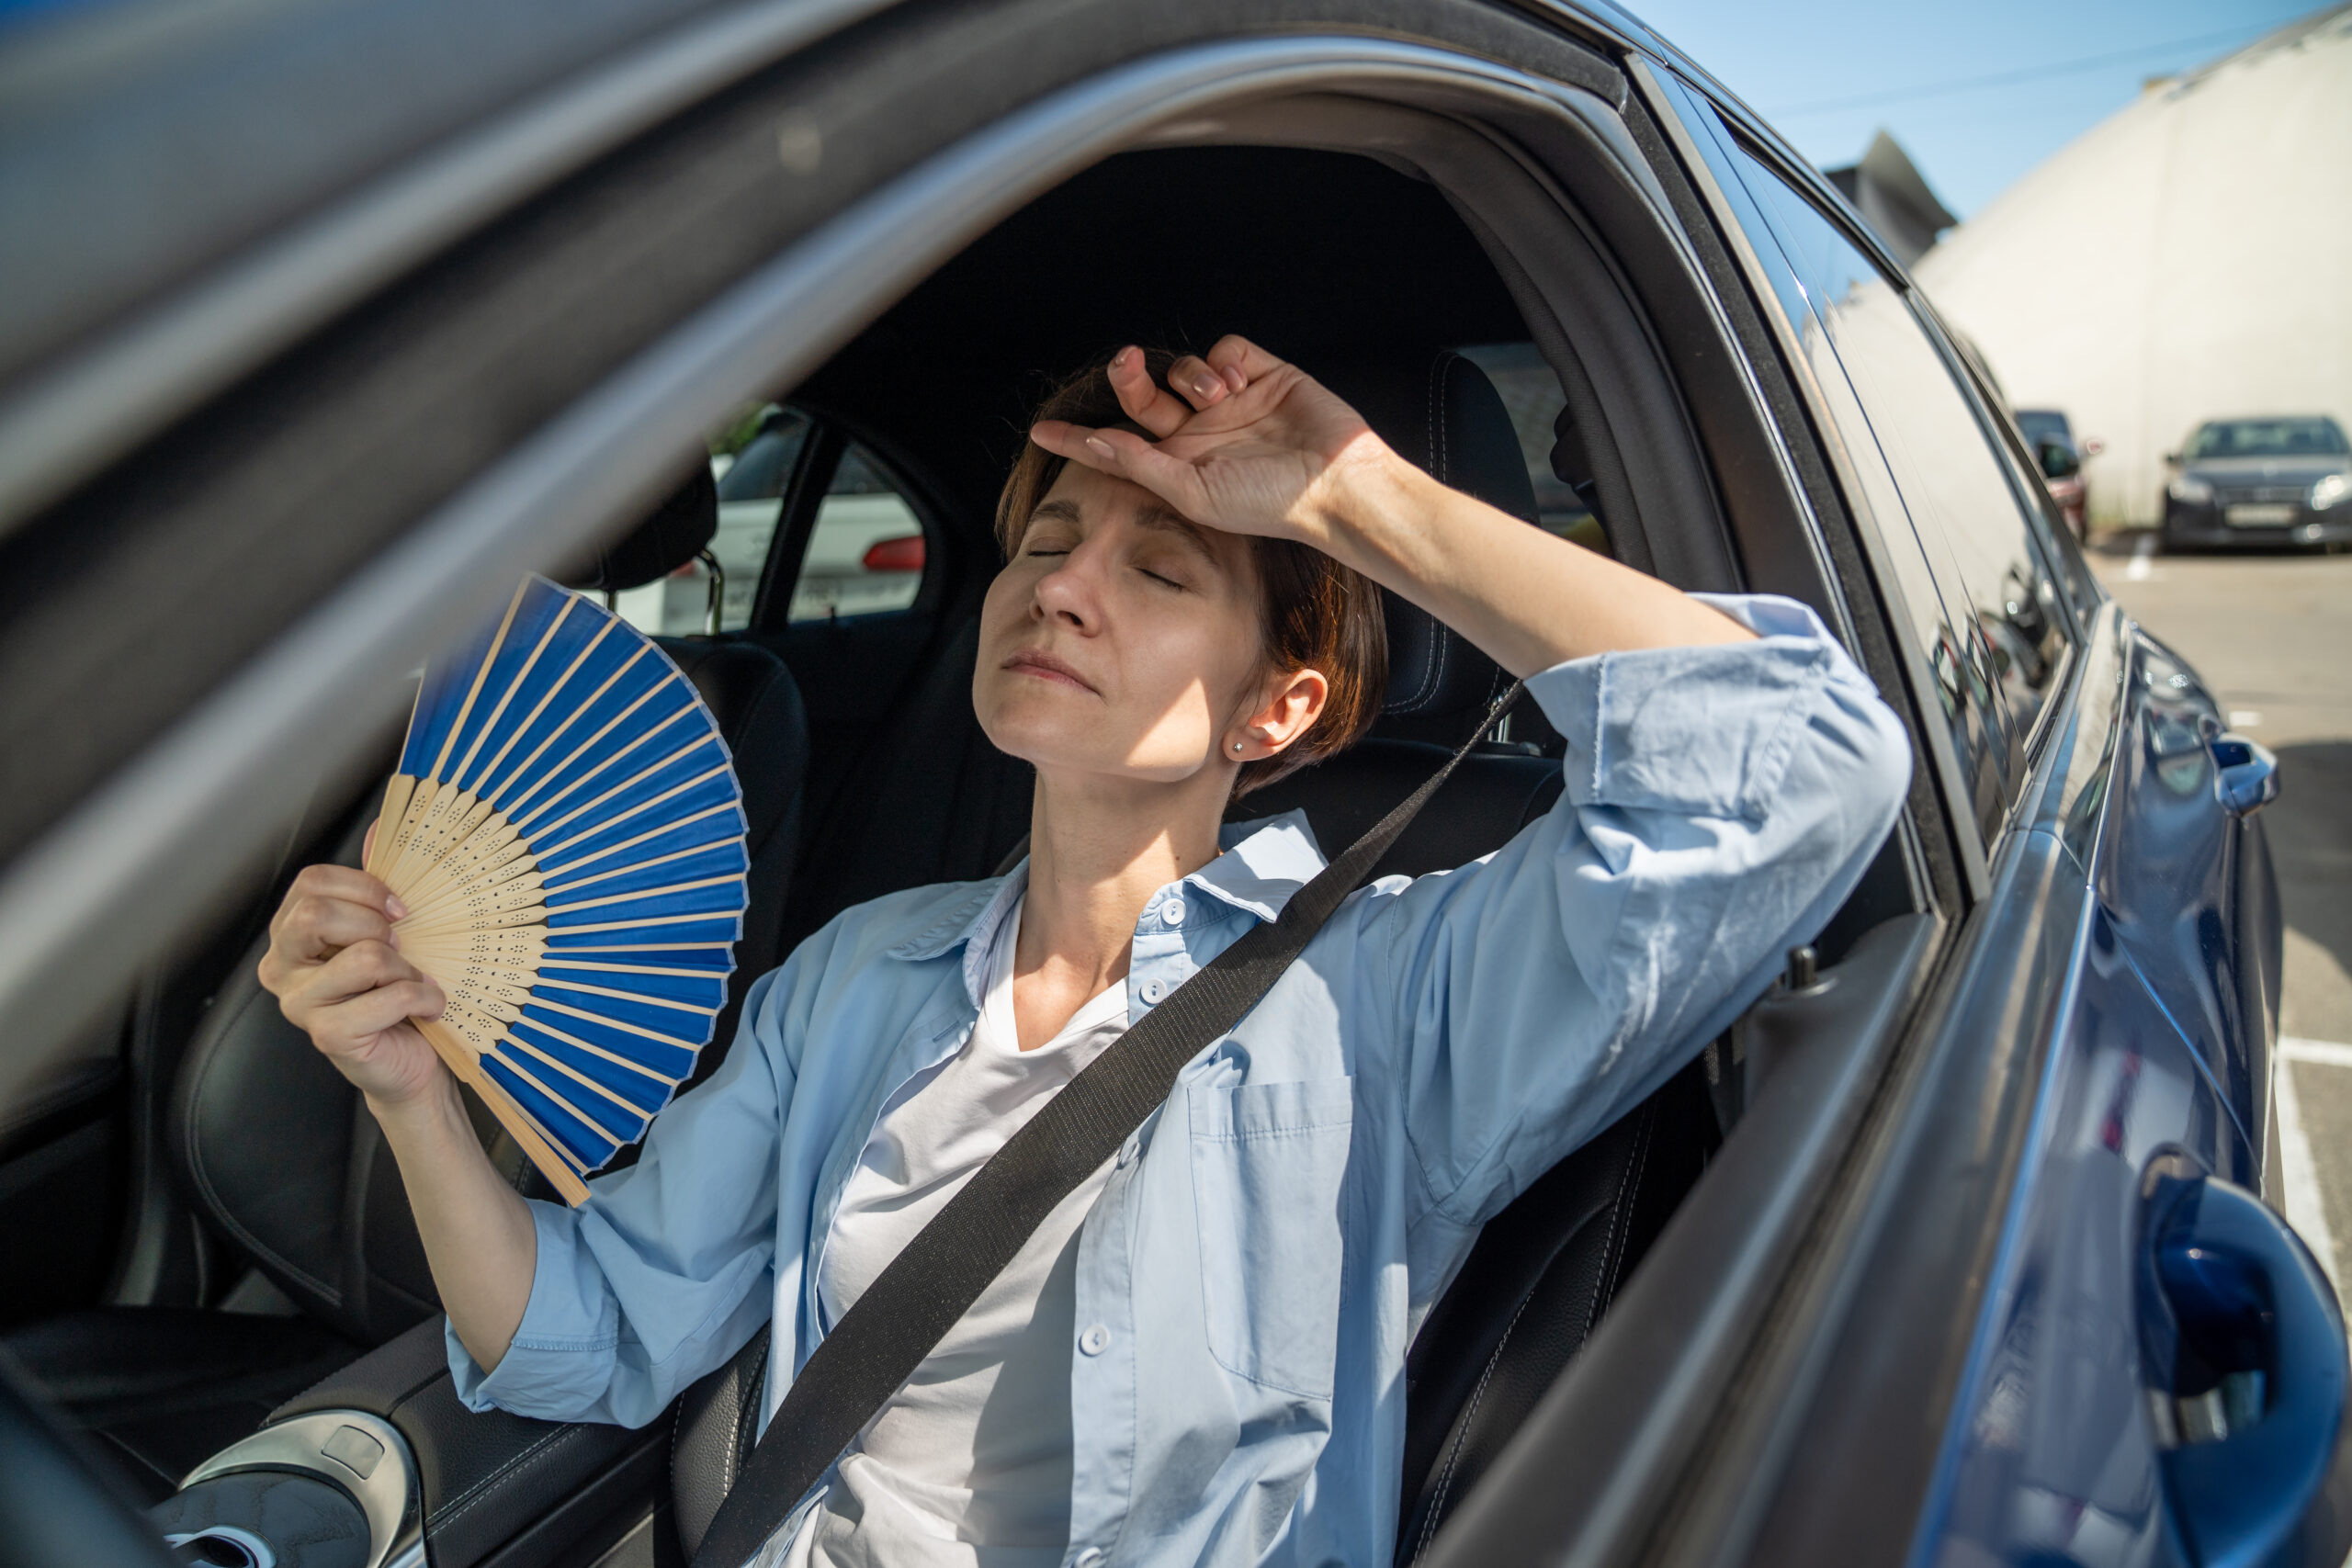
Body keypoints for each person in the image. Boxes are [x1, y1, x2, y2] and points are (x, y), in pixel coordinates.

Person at [261, 337, 1910, 1567]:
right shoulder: (853, 979)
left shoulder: (1381, 1000)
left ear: (1279, 709)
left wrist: (1353, 498)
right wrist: (410, 1092)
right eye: (1046, 542)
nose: (1060, 589)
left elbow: (1799, 765)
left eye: (1160, 565)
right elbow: (595, 1335)